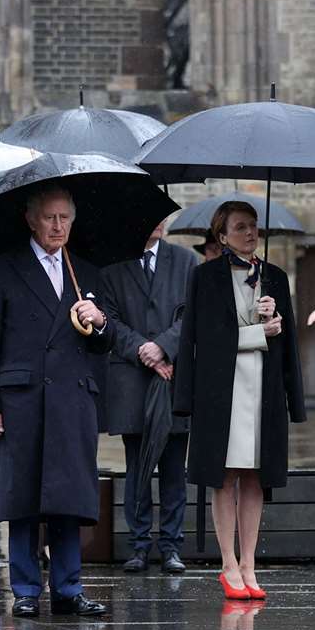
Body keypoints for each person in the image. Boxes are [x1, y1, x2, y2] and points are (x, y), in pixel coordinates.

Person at [0, 184, 111, 618]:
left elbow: (104, 344)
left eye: (64, 218)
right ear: (31, 220)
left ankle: (70, 587)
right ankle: (26, 589)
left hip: (71, 400)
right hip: (21, 399)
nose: (57, 226)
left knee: (68, 499)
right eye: (49, 218)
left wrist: (100, 321)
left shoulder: (86, 273)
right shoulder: (1, 269)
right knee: (24, 498)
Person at [175, 201, 306, 599]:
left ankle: (249, 564)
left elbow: (287, 342)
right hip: (222, 390)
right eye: (240, 227)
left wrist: (275, 321)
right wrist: (258, 334)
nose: (250, 233)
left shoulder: (276, 277)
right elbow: (206, 339)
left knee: (255, 477)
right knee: (225, 475)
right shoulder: (206, 276)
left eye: (254, 227)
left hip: (262, 390)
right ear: (222, 235)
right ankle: (227, 564)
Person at [99, 217, 197, 575]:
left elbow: (191, 313)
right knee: (137, 466)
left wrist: (164, 348)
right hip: (133, 380)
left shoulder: (186, 262)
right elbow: (108, 320)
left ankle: (171, 546)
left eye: (162, 217)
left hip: (173, 377)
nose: (156, 223)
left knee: (173, 468)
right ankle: (138, 544)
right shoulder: (112, 268)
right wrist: (144, 349)